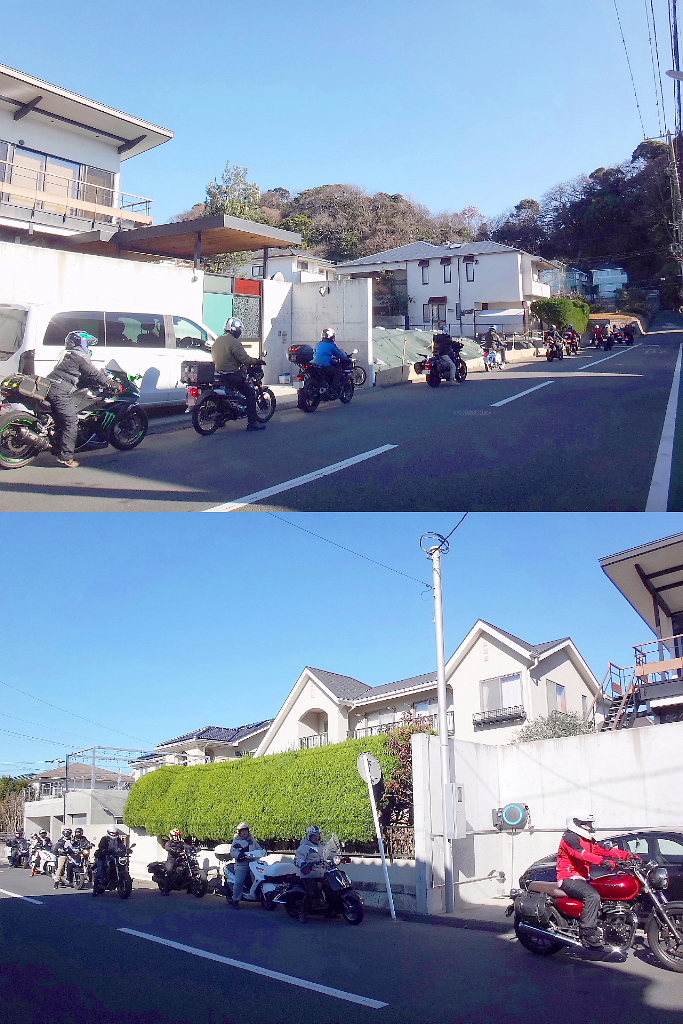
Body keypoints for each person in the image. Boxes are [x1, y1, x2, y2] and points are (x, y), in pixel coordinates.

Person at [557, 810, 640, 948]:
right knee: (592, 896)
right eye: (587, 824)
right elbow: (581, 854)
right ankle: (587, 932)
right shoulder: (570, 838)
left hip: (584, 878)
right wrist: (603, 862)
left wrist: (629, 856)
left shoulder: (587, 840)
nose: (590, 827)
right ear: (577, 824)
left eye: (591, 824)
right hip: (569, 878)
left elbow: (604, 850)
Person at [45, 331, 120, 468]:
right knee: (71, 421)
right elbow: (94, 373)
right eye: (87, 344)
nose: (89, 348)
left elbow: (79, 374)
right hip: (60, 391)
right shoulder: (78, 357)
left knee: (62, 419)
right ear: (81, 343)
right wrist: (112, 384)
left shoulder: (67, 354)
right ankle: (66, 457)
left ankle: (57, 445)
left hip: (51, 386)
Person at [210, 317, 266, 431]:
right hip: (231, 375)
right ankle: (252, 423)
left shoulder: (218, 340)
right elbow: (244, 358)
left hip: (218, 374)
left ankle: (220, 419)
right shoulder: (234, 342)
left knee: (225, 396)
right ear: (236, 329)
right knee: (250, 393)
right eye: (240, 330)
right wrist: (256, 361)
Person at [294, 825, 328, 923]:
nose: (316, 837)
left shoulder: (322, 846)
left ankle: (331, 911)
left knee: (331, 887)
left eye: (318, 835)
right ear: (309, 836)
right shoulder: (304, 847)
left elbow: (330, 854)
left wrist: (338, 857)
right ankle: (303, 913)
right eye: (314, 836)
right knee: (311, 892)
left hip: (322, 873)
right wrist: (303, 864)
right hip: (309, 873)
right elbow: (298, 858)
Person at [229, 822, 262, 908]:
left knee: (259, 878)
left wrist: (263, 851)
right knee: (239, 881)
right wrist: (240, 855)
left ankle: (259, 896)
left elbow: (259, 848)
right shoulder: (236, 842)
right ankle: (235, 900)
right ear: (239, 832)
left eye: (246, 831)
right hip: (241, 864)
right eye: (242, 831)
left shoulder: (253, 841)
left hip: (253, 863)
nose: (244, 833)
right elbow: (233, 852)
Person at [313, 328, 349, 394]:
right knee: (338, 372)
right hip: (325, 365)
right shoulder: (331, 345)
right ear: (331, 336)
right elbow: (339, 354)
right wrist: (346, 358)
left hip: (315, 365)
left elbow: (316, 353)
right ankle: (333, 389)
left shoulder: (318, 344)